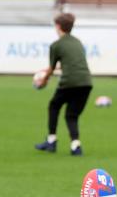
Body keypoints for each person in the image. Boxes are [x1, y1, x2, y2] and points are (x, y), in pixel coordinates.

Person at [34, 13, 92, 156]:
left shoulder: (56, 45)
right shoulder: (77, 42)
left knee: (54, 106)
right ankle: (75, 146)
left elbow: (52, 68)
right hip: (86, 82)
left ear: (58, 26)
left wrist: (43, 81)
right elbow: (74, 64)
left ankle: (51, 141)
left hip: (70, 82)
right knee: (72, 115)